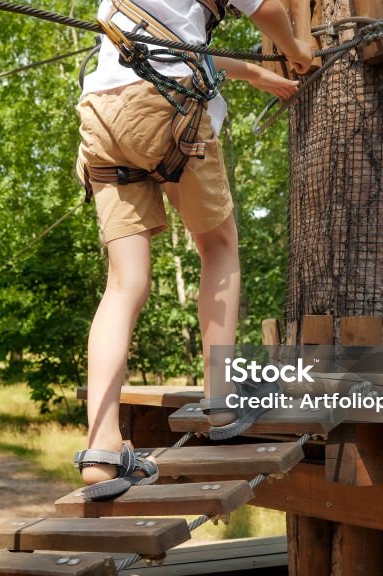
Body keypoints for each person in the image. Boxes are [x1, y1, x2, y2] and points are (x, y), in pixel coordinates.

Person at [72, 0, 314, 500]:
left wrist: (253, 74)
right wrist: (298, 48)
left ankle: (100, 450)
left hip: (102, 113)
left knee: (124, 283)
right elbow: (267, 10)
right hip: (166, 107)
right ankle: (221, 398)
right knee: (219, 248)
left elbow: (173, 41)